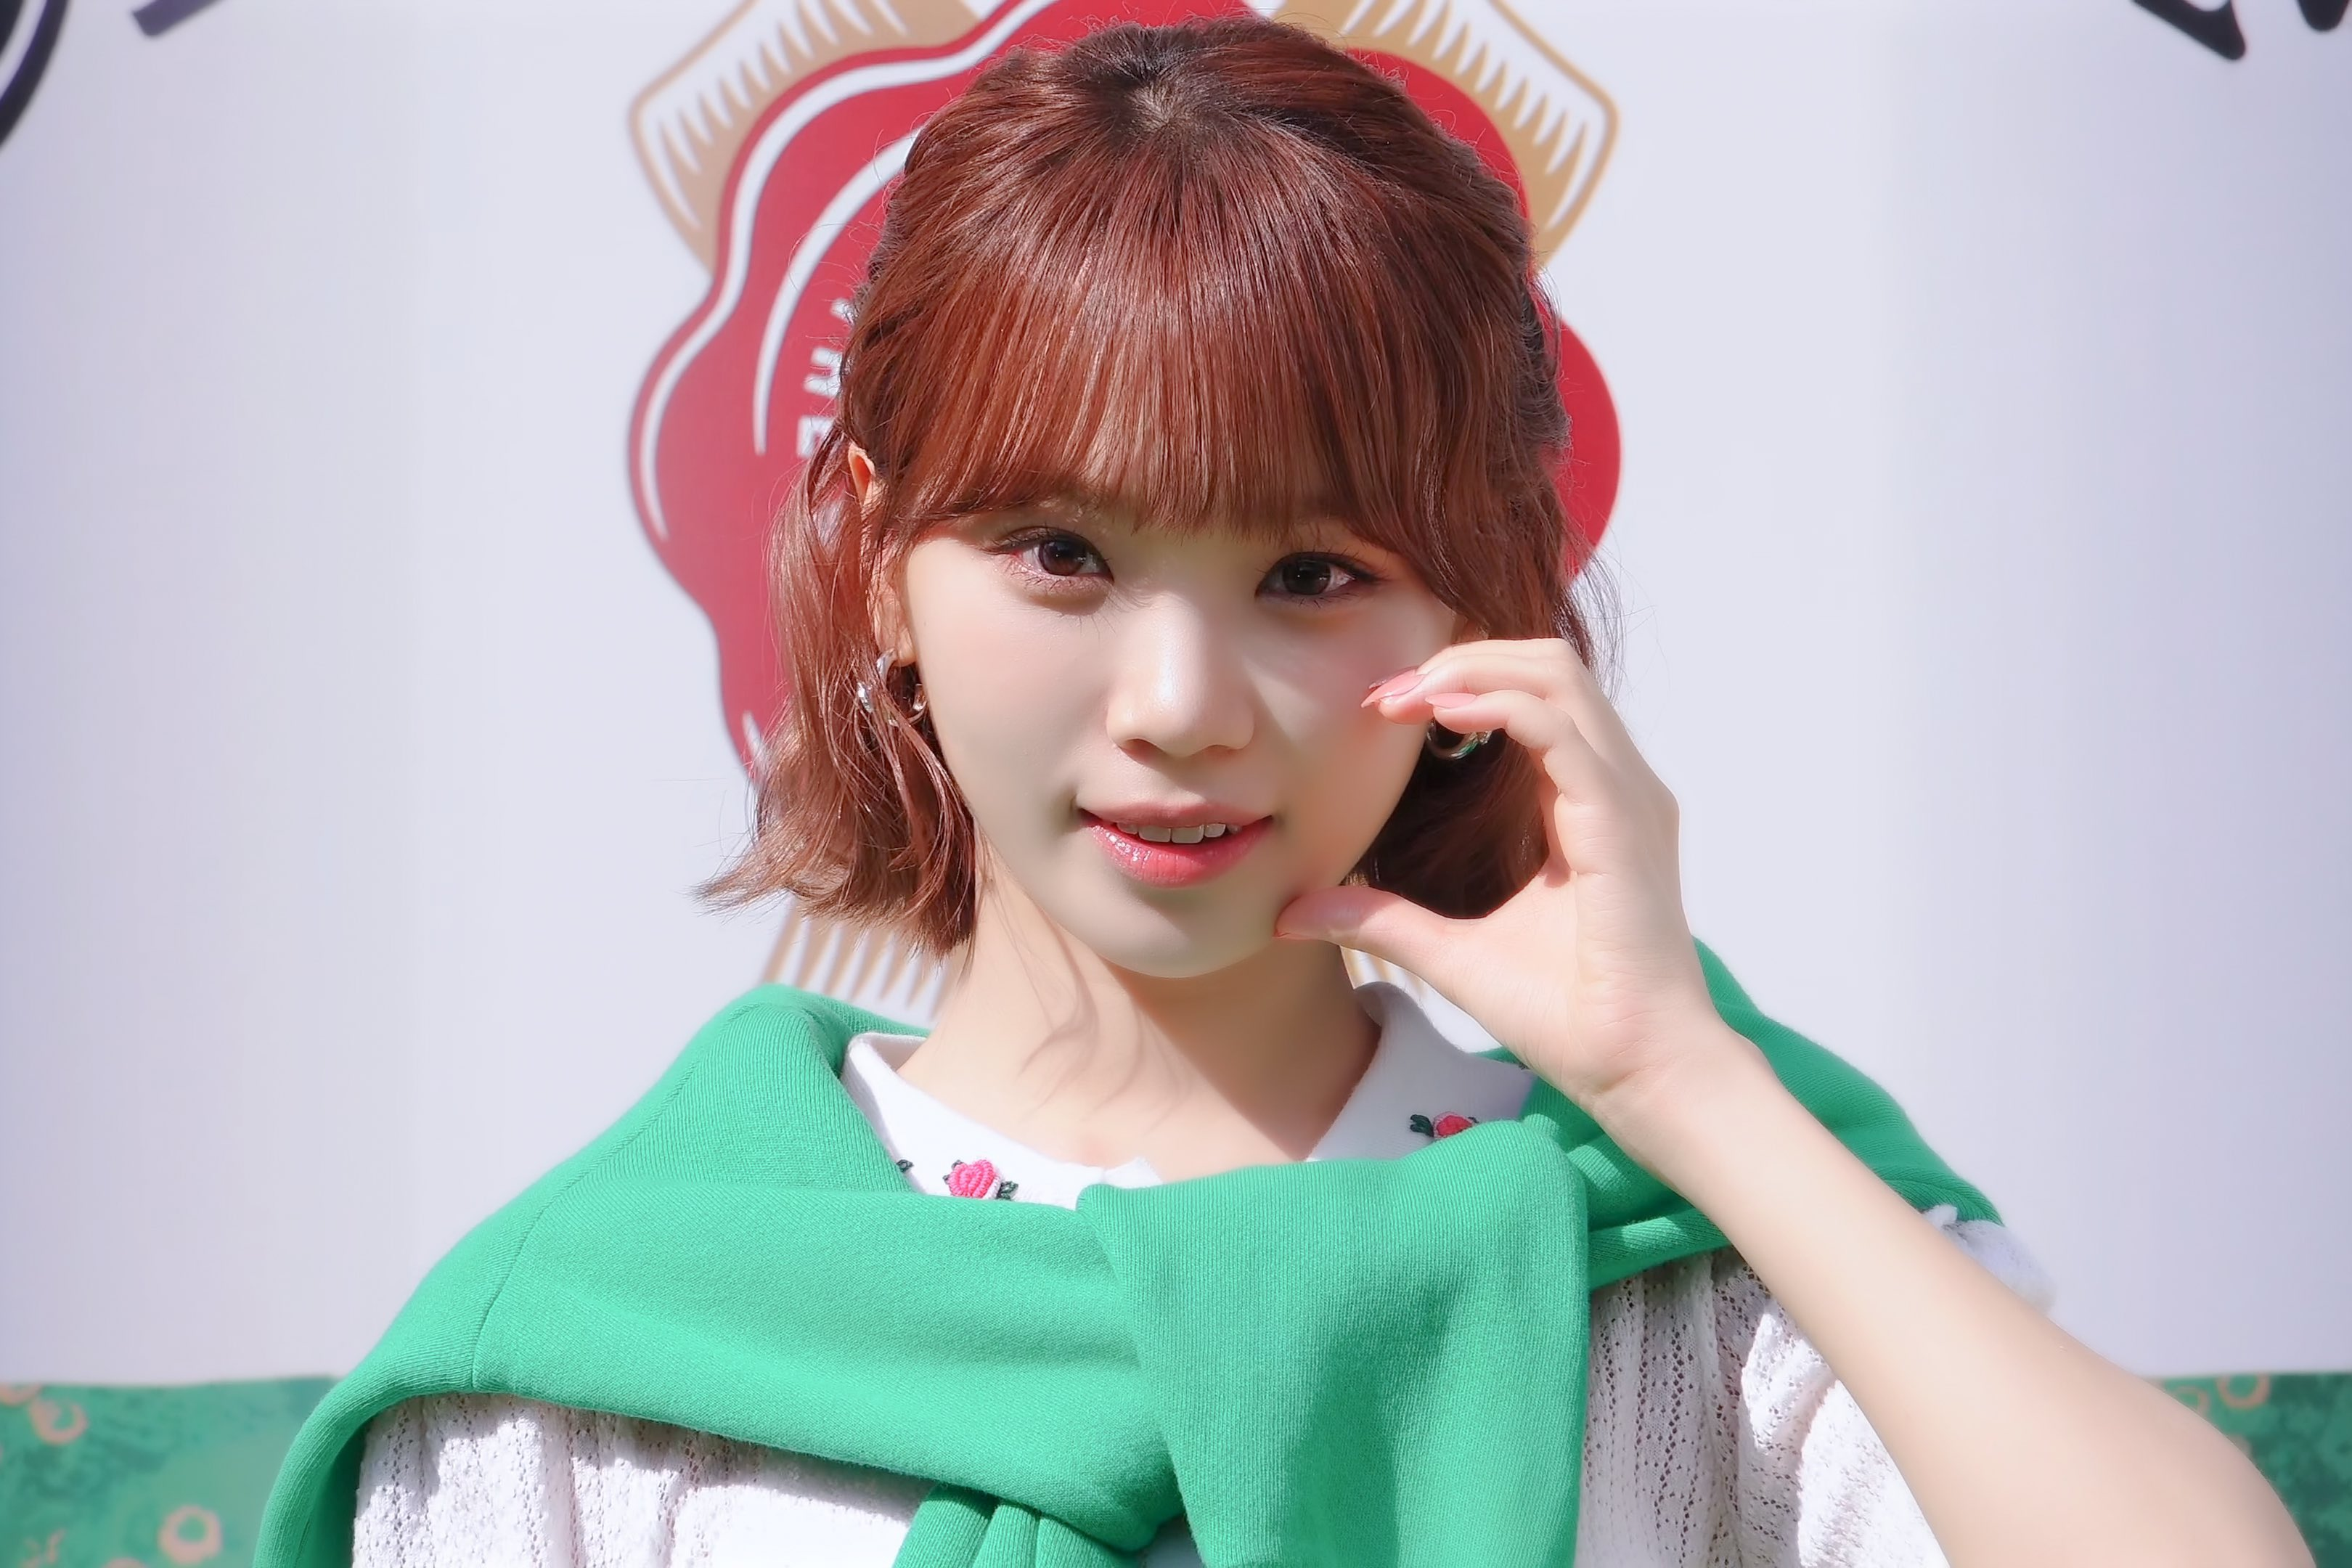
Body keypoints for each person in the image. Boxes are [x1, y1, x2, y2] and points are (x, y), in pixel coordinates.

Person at [256, 15, 2308, 1568]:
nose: (1179, 707)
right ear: (878, 560)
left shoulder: (1665, 1253)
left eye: (1313, 575)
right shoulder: (596, 1349)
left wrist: (1681, 1082)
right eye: (1062, 555)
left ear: (1481, 612)